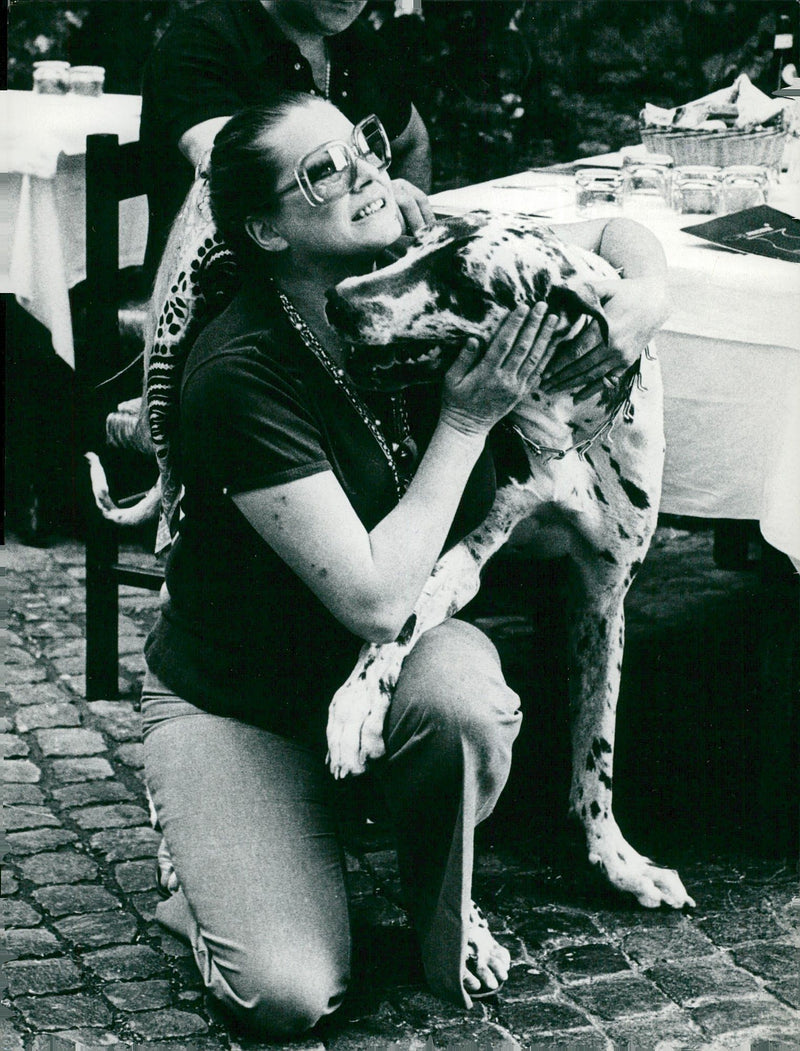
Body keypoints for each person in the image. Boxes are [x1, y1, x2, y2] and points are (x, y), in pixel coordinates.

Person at [141, 91, 670, 1037]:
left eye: (362, 144)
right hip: (242, 697)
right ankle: (206, 868)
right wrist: (467, 420)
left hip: (386, 670)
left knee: (468, 700)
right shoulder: (240, 371)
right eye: (323, 171)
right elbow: (380, 602)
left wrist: (645, 295)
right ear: (266, 230)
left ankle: (431, 887)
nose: (365, 172)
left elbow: (610, 228)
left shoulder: (421, 259)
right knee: (287, 993)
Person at [139, 0, 433, 276]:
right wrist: (379, 198)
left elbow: (412, 141)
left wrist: (403, 250)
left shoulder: (356, 41)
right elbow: (239, 177)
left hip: (337, 286)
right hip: (225, 293)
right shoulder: (196, 43)